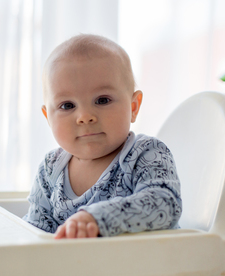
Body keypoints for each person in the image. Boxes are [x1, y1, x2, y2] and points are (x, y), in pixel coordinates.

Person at [23, 34, 182, 239]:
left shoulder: (146, 153)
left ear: (133, 107)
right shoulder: (50, 169)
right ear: (48, 117)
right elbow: (37, 232)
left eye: (102, 100)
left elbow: (165, 204)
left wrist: (96, 218)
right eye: (67, 105)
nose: (85, 117)